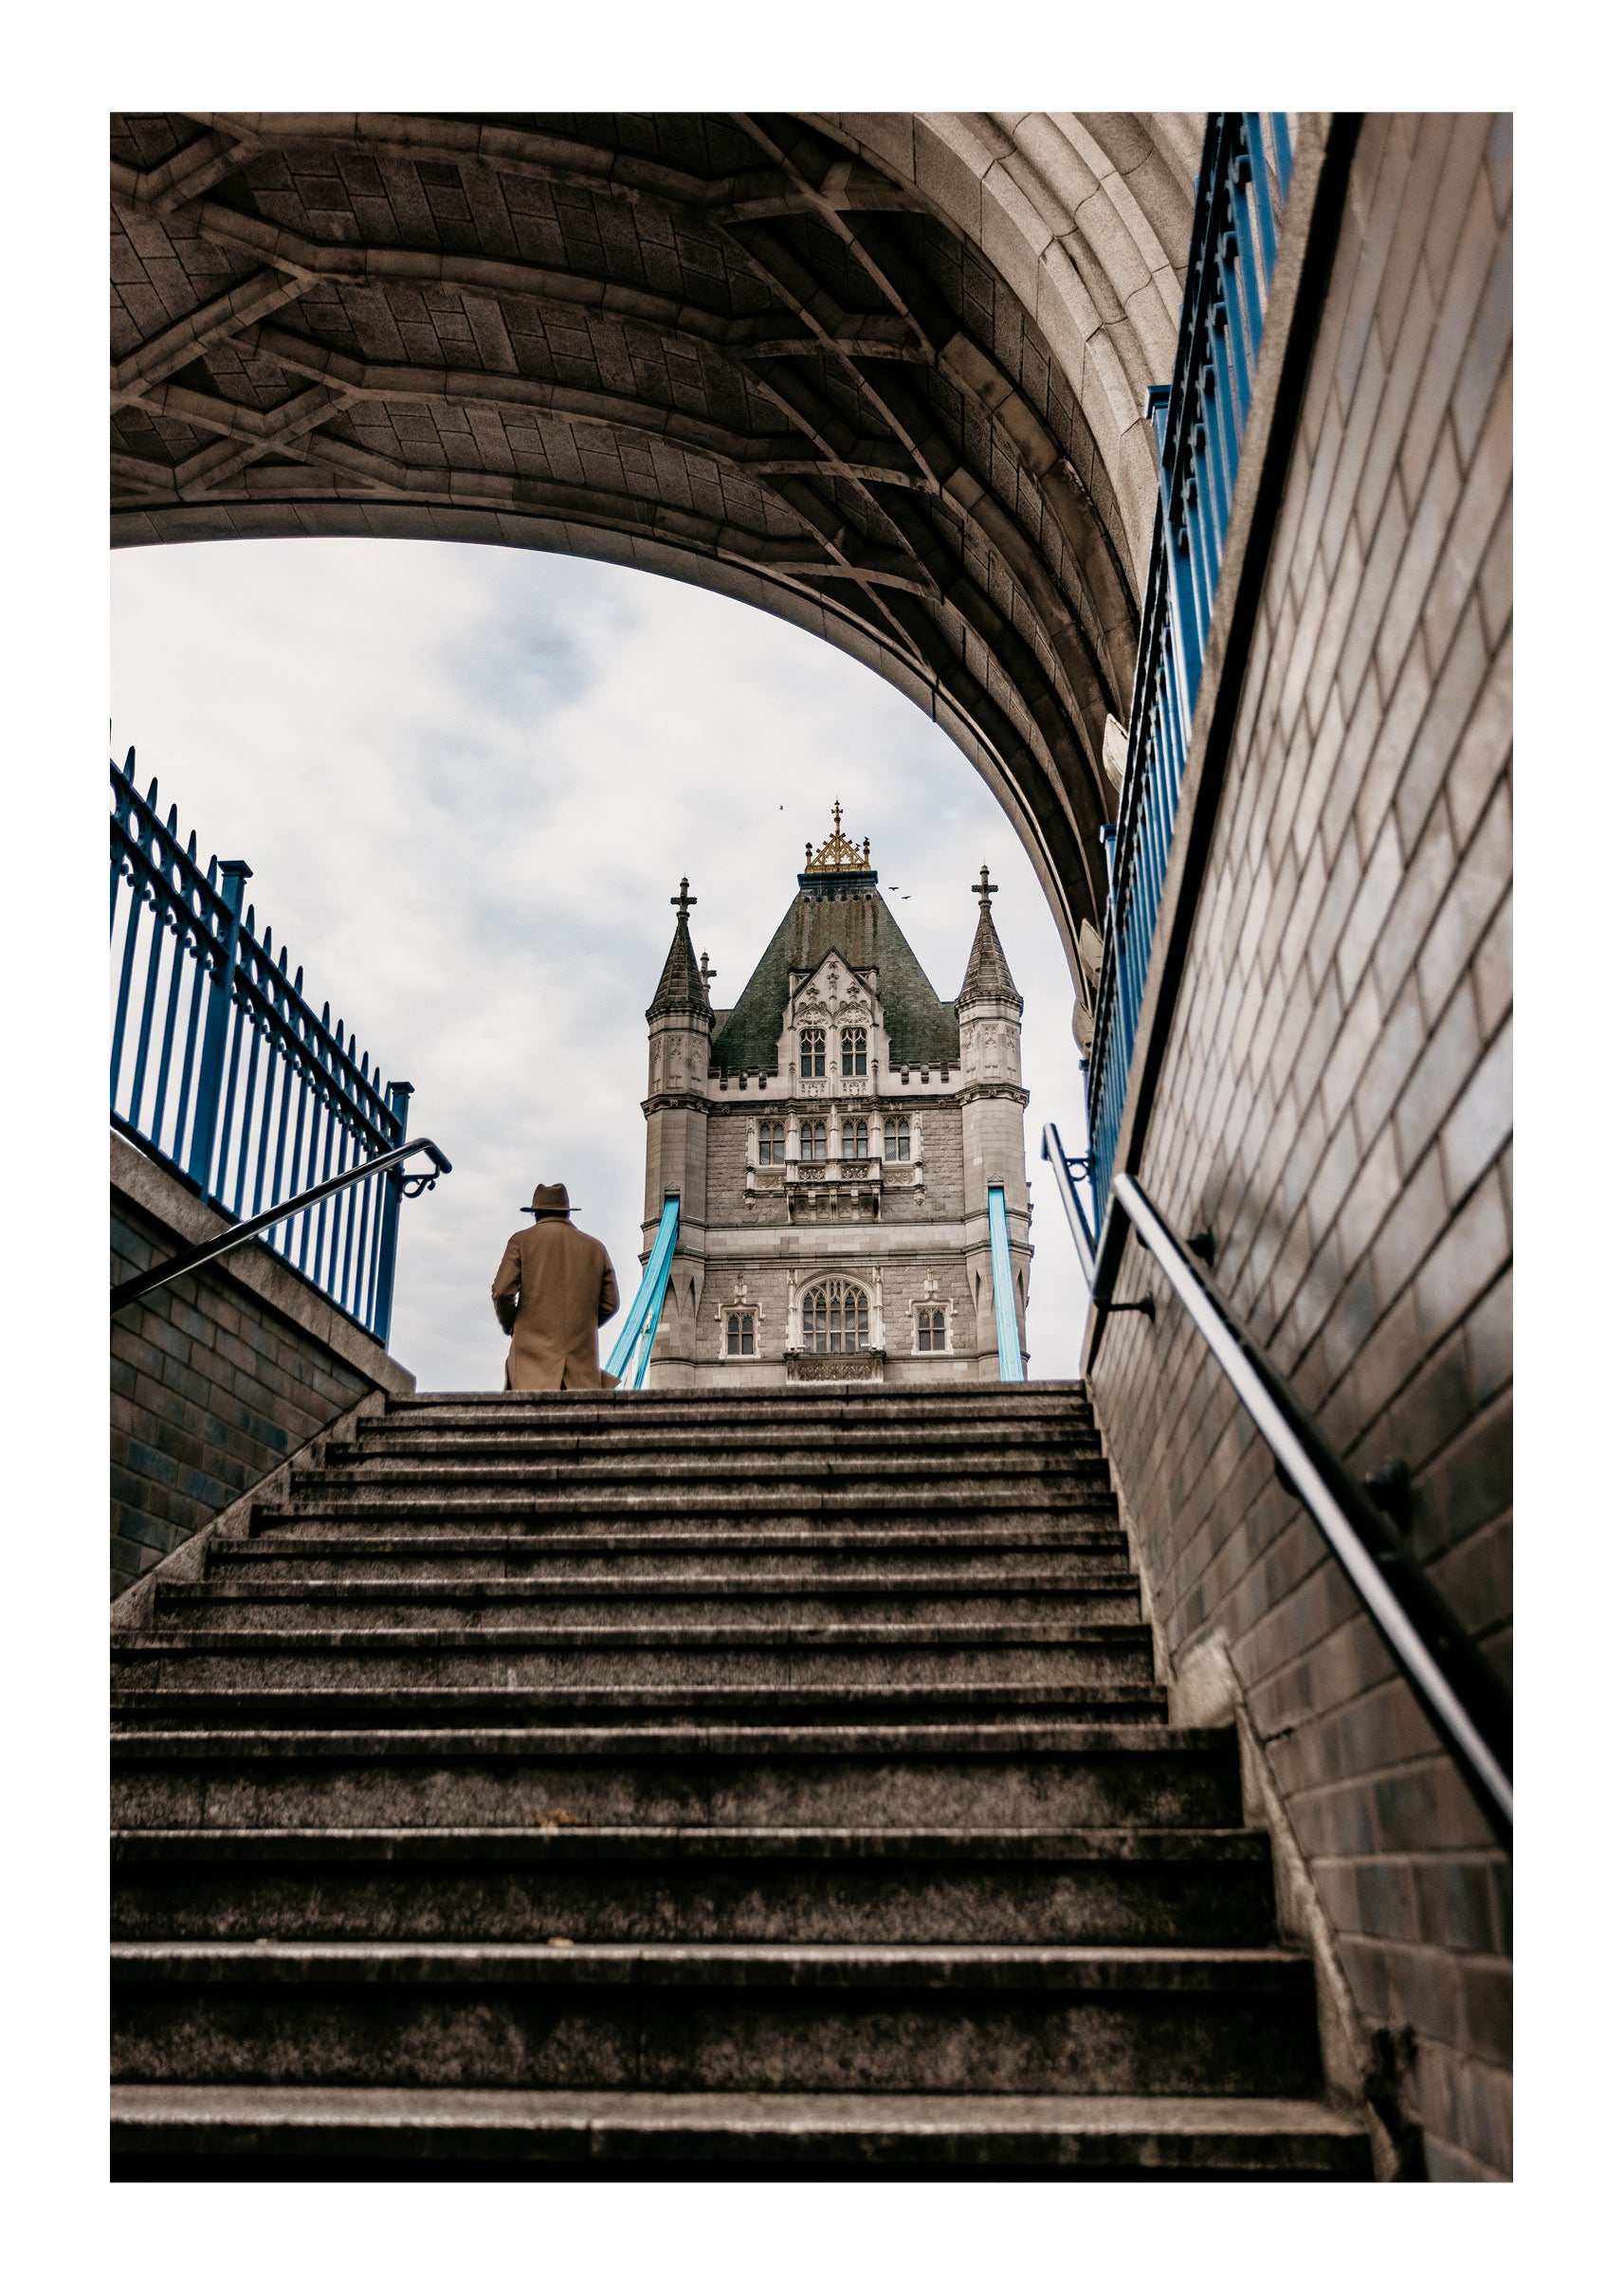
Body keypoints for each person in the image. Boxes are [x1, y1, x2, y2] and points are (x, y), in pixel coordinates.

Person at [490, 1183, 620, 1392]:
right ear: (568, 1213)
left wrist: (512, 1325)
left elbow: (502, 1291)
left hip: (530, 1364)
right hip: (580, 1369)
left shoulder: (521, 1241)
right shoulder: (596, 1248)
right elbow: (610, 1304)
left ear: (535, 1213)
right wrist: (580, 1326)